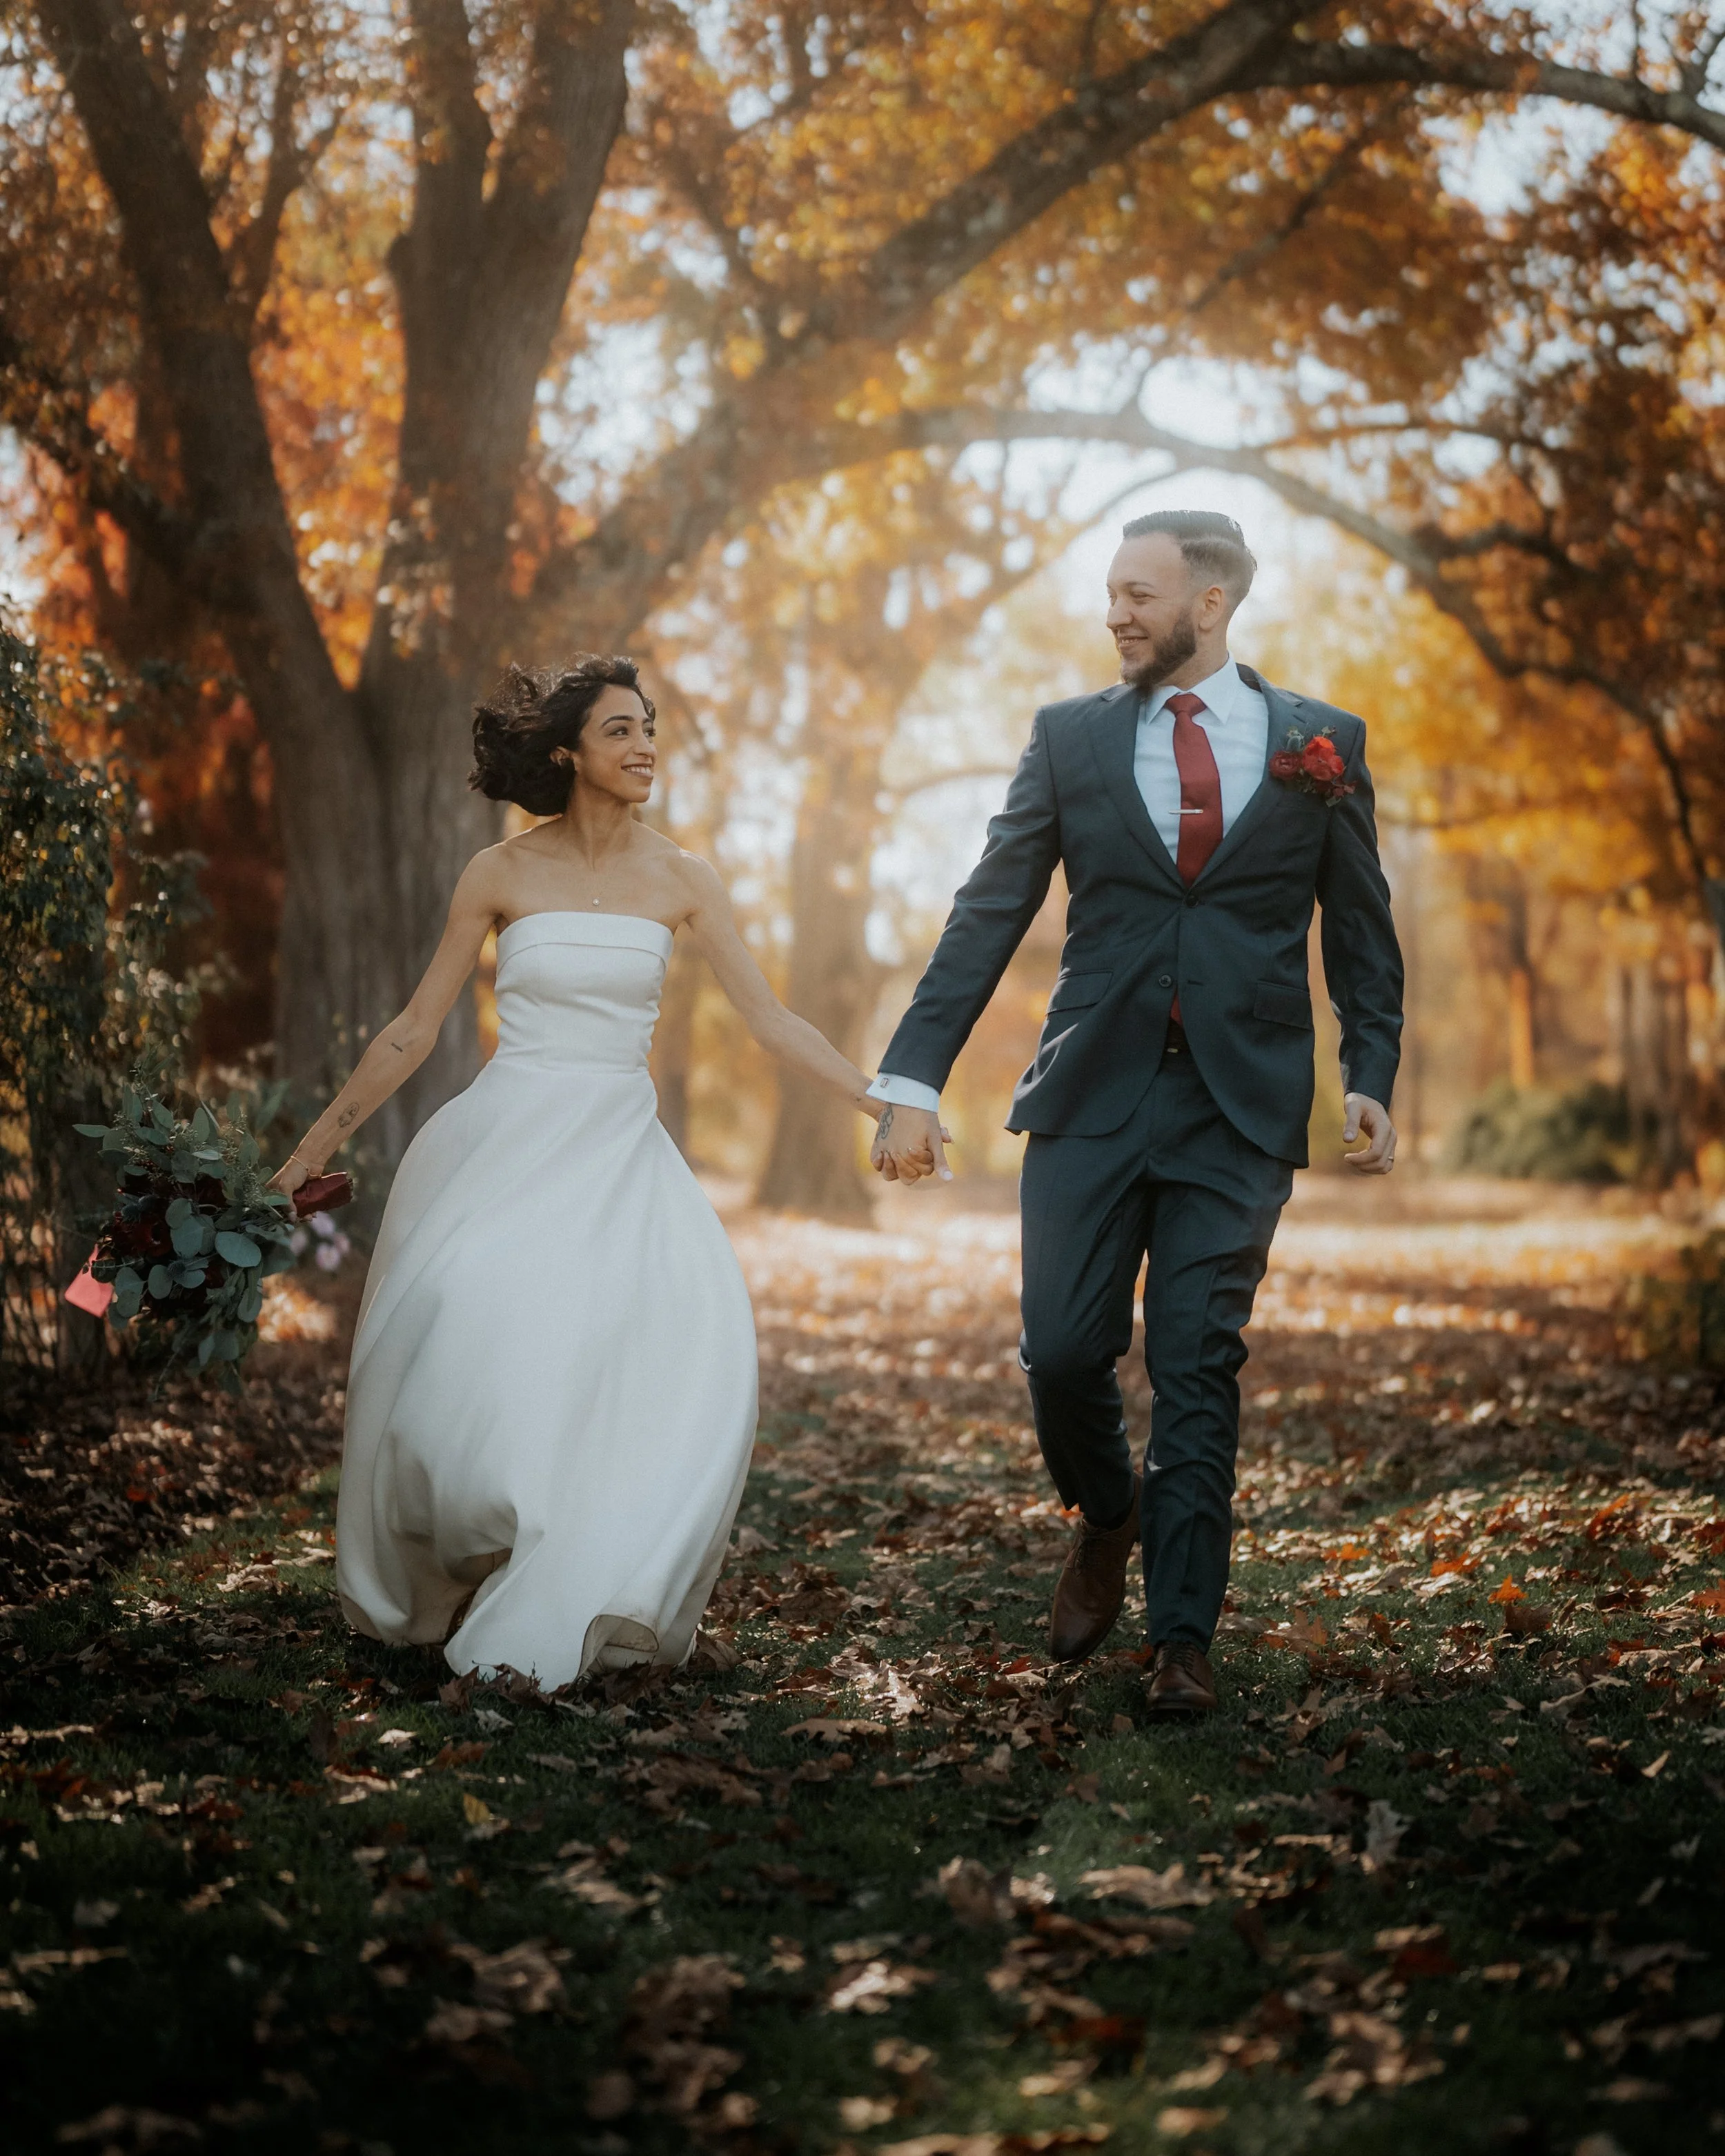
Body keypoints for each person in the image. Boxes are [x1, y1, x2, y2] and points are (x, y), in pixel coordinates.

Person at [868, 509, 1402, 1719]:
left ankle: (1181, 1642)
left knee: (1199, 1363)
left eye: (1139, 594)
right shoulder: (1070, 742)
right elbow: (985, 913)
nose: (1116, 614)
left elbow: (1364, 930)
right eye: (1111, 593)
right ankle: (1108, 1515)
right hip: (1091, 1094)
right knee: (1062, 1353)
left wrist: (1370, 1070)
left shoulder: (1324, 743)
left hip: (1242, 1103)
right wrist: (911, 1077)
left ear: (1209, 606)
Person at [270, 655, 882, 1689]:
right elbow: (415, 1031)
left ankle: (581, 1577)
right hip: (503, 1142)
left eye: (650, 729)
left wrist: (875, 1096)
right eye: (620, 731)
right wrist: (309, 1149)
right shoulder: (499, 874)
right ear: (569, 753)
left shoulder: (684, 879)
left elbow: (771, 1021)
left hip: (617, 1152)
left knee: (642, 1356)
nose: (645, 746)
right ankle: (459, 1550)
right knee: (465, 1338)